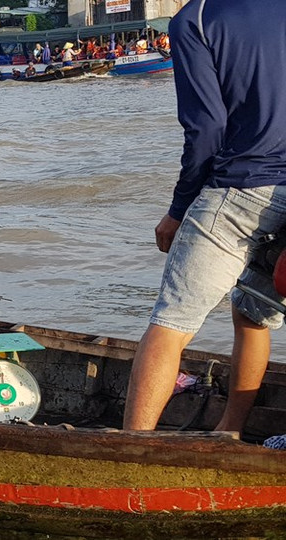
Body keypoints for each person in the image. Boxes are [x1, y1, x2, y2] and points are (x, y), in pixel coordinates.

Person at [123, 0, 286, 434]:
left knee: (171, 323)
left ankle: (131, 449)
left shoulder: (196, 19)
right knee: (253, 315)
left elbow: (206, 130)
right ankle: (229, 432)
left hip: (242, 188)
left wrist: (179, 210)